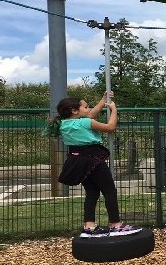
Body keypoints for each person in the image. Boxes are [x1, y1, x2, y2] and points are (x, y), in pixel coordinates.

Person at [49, 92, 142, 237]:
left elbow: (90, 115)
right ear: (74, 111)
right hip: (93, 158)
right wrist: (114, 110)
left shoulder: (64, 124)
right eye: (86, 106)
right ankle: (115, 225)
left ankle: (89, 227)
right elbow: (110, 127)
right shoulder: (85, 123)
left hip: (77, 161)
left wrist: (103, 100)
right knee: (109, 190)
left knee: (92, 193)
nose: (89, 108)